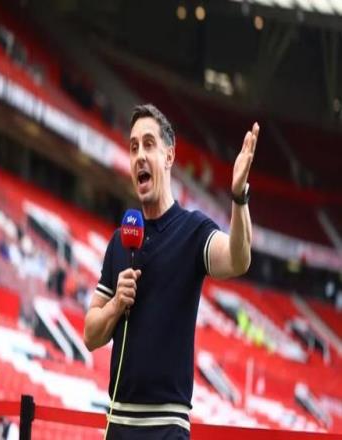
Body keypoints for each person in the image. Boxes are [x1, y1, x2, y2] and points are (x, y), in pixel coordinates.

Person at [84, 104, 259, 439]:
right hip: (117, 422)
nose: (139, 155)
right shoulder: (120, 241)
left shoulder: (193, 230)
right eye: (133, 147)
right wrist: (116, 304)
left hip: (168, 426)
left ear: (169, 156)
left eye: (149, 144)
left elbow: (238, 260)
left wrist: (239, 197)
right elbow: (91, 336)